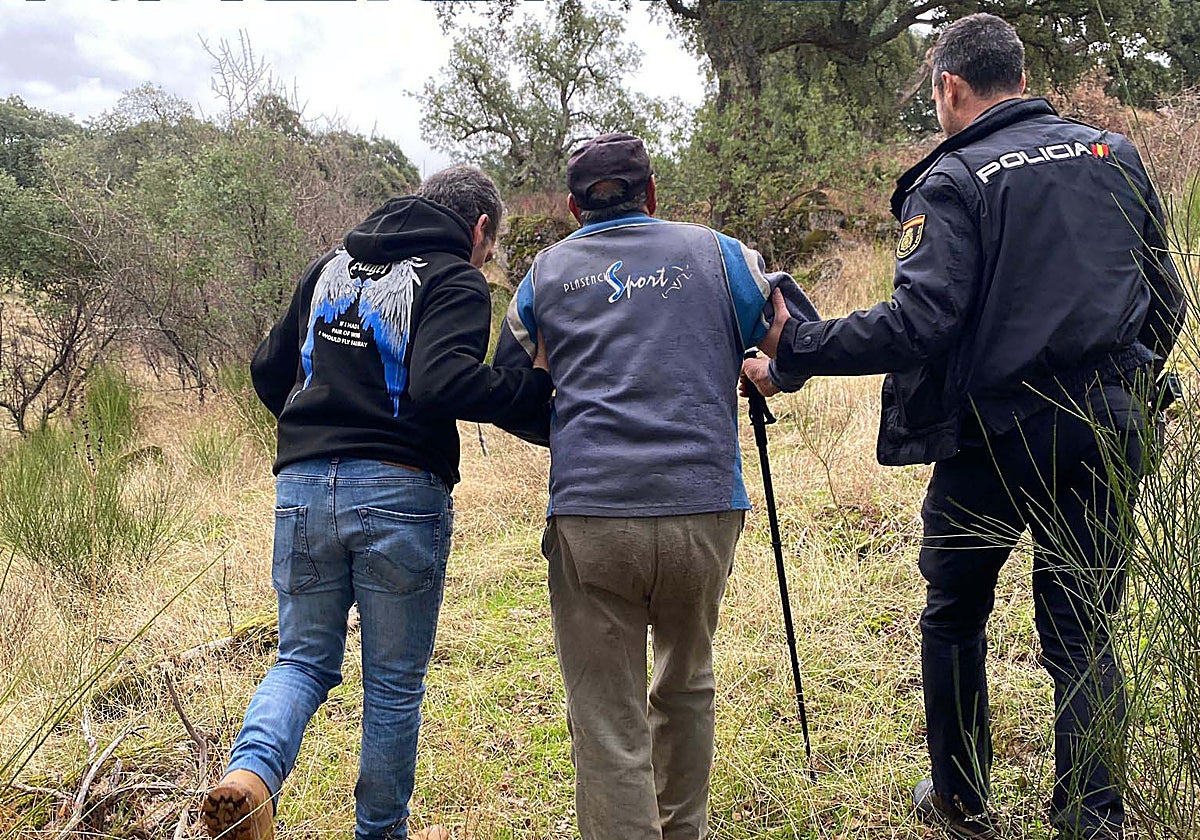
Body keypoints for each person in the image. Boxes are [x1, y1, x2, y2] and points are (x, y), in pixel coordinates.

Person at [743, 13, 1186, 840]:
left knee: (954, 610)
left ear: (949, 86)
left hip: (996, 440)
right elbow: (1167, 302)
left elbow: (919, 324)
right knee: (1084, 623)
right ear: (1019, 75)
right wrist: (1124, 387)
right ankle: (1094, 818)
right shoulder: (1113, 155)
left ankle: (963, 799)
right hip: (1109, 426)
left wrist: (796, 345)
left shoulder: (954, 180)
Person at [201, 165, 551, 840]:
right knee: (391, 686)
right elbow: (444, 381)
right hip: (398, 488)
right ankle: (381, 833)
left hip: (303, 486)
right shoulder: (452, 276)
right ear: (480, 228)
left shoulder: (329, 264)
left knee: (302, 659)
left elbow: (268, 368)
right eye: (489, 244)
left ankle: (249, 779)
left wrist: (318, 425)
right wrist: (532, 389)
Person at [492, 133, 813, 840]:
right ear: (653, 193)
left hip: (593, 512)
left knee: (608, 717)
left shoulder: (545, 275)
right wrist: (766, 372)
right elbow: (803, 332)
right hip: (703, 506)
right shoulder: (722, 255)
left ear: (575, 207)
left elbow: (507, 386)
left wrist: (566, 427)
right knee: (686, 684)